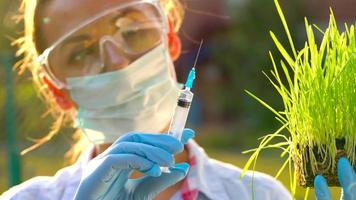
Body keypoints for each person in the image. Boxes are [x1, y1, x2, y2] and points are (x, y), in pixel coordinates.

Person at [0, 0, 354, 199]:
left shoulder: (255, 194)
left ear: (170, 38)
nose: (118, 63)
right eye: (80, 54)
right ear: (56, 89)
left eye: (134, 31)